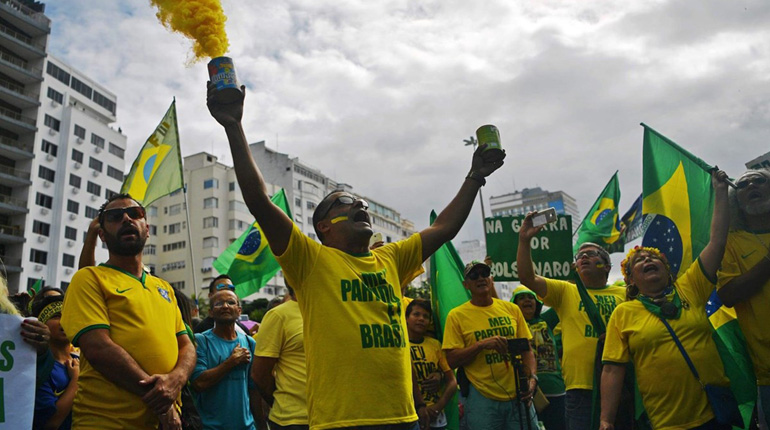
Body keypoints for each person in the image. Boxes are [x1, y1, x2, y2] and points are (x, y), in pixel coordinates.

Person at [207, 81, 504, 430]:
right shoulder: (311, 260)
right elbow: (258, 199)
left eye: (362, 204)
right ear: (324, 226)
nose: (360, 206)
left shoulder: (391, 258)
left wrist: (474, 177)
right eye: (346, 203)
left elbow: (443, 228)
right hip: (340, 421)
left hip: (402, 418)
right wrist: (234, 125)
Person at [600, 170, 732, 430]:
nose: (647, 260)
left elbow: (717, 242)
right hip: (666, 421)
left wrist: (720, 191)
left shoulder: (689, 289)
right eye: (639, 261)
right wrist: (606, 420)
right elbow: (613, 370)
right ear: (632, 281)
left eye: (654, 258)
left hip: (715, 412)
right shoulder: (623, 313)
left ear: (668, 270)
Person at [61, 193, 196, 429]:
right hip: (107, 422)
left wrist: (177, 379)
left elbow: (186, 345)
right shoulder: (89, 279)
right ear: (101, 234)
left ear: (147, 228)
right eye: (114, 216)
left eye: (135, 213)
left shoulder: (164, 288)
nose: (126, 218)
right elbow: (98, 347)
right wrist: (162, 401)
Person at [518, 218, 626, 430]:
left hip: (622, 385)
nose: (583, 257)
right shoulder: (566, 291)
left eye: (591, 254)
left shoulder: (625, 294)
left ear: (606, 266)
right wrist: (524, 241)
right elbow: (526, 277)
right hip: (580, 387)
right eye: (579, 256)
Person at [443, 260, 537, 430]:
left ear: (491, 279)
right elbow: (450, 360)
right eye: (474, 275)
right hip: (482, 397)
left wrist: (532, 379)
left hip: (518, 394)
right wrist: (481, 345)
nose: (481, 278)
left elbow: (527, 349)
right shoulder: (456, 316)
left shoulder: (512, 309)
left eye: (484, 274)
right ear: (466, 285)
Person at [717, 168, 770, 428]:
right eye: (743, 184)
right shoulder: (731, 243)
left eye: (759, 180)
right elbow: (727, 294)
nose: (751, 186)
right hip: (767, 370)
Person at [191, 289, 260, 430]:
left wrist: (261, 424)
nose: (225, 306)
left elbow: (253, 390)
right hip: (211, 427)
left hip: (247, 427)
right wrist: (231, 362)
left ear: (239, 310)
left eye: (230, 302)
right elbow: (199, 383)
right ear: (210, 312)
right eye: (218, 303)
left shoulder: (249, 342)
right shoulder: (201, 341)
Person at [252, 285, 308, 430]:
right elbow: (260, 374)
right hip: (293, 420)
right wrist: (279, 399)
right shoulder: (278, 315)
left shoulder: (328, 311)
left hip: (333, 418)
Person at [512, 286, 566, 430]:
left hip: (555, 389)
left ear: (537, 303)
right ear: (514, 303)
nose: (527, 301)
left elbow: (564, 299)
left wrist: (573, 274)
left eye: (531, 297)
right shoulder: (512, 324)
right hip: (525, 392)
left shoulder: (547, 320)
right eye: (521, 298)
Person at [406, 299, 457, 430]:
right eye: (416, 314)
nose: (421, 319)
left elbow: (452, 382)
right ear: (406, 318)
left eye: (426, 316)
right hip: (409, 414)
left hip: (436, 417)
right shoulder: (400, 345)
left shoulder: (435, 345)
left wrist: (437, 408)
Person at [31, 295, 79, 430]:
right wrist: (76, 380)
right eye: (56, 316)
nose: (64, 321)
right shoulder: (39, 366)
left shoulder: (87, 361)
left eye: (68, 314)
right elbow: (51, 423)